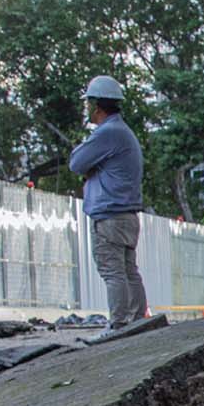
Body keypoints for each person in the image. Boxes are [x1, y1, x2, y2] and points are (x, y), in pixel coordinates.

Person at [68, 74, 150, 335]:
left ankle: (119, 324)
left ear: (96, 105)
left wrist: (91, 170)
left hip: (110, 217)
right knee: (128, 270)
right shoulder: (122, 132)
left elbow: (76, 163)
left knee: (113, 271)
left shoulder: (108, 133)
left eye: (88, 103)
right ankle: (138, 321)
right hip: (125, 215)